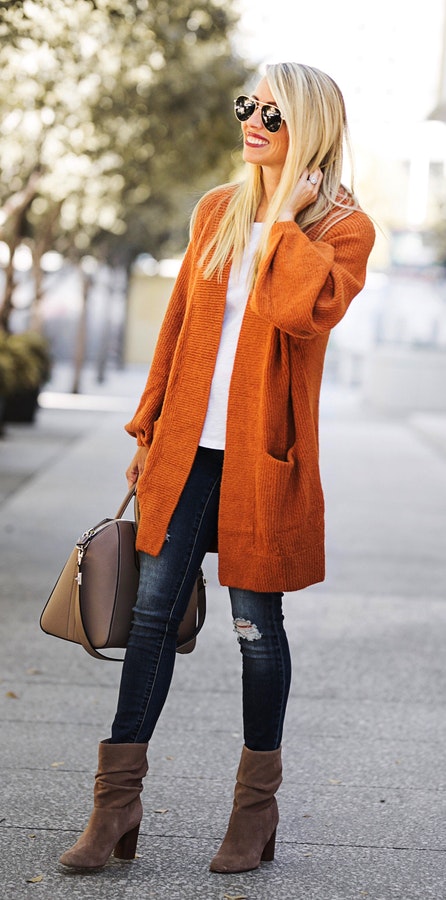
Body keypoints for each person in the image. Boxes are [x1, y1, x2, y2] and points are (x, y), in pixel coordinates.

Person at [59, 61, 375, 874]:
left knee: (255, 631)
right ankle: (114, 808)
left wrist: (282, 223)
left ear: (305, 126)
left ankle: (254, 814)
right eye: (247, 106)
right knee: (153, 619)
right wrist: (146, 432)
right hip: (187, 451)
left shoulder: (343, 229)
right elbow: (175, 331)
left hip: (262, 462)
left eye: (270, 113)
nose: (252, 122)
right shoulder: (213, 212)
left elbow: (294, 313)